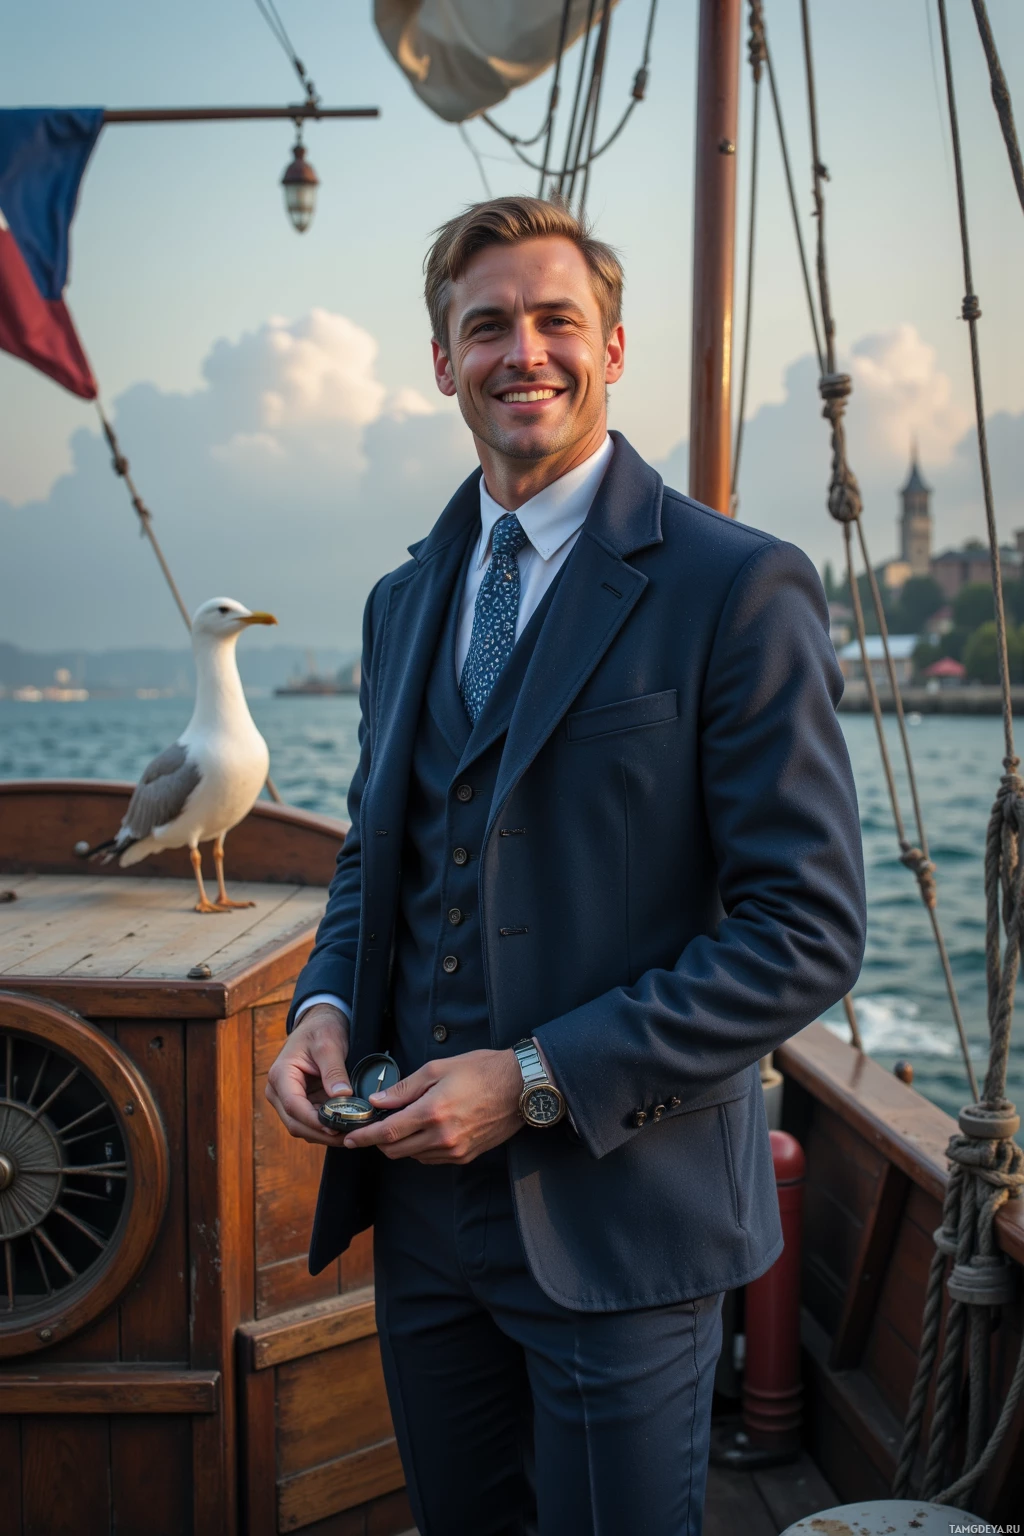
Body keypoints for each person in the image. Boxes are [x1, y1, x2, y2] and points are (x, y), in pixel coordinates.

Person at [266, 195, 866, 1536]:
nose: (521, 352)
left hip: (625, 1222)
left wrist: (534, 1080)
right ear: (442, 362)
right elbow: (380, 852)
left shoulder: (736, 586)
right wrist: (323, 1006)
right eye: (488, 326)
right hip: (420, 1217)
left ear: (612, 348)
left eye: (555, 321)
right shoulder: (402, 597)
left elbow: (807, 931)